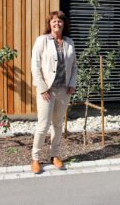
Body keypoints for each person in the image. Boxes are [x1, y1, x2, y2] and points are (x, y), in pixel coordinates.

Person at [31, 11, 77, 174]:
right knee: (43, 125)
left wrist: (72, 83)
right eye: (54, 21)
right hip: (47, 91)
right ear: (49, 24)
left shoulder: (69, 42)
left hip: (64, 90)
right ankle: (35, 158)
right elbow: (35, 66)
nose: (57, 24)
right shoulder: (42, 41)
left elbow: (74, 67)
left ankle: (54, 155)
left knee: (58, 125)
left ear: (64, 24)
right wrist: (42, 87)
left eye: (60, 21)